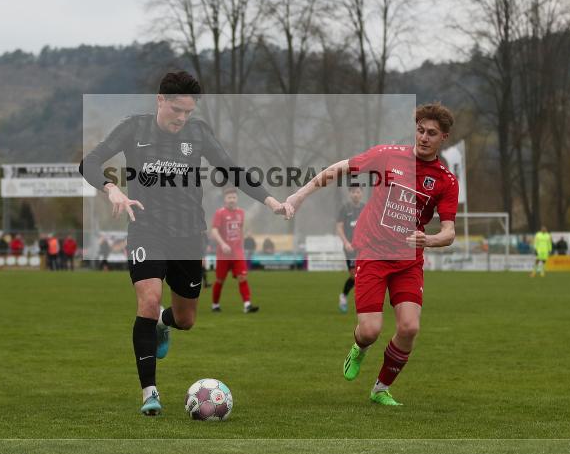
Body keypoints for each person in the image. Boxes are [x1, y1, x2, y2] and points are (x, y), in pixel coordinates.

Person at [79, 71, 284, 416]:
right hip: (146, 229)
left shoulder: (198, 132)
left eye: (188, 112)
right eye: (177, 110)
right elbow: (90, 162)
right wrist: (111, 188)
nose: (182, 118)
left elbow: (231, 169)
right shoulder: (134, 128)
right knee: (148, 299)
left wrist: (271, 201)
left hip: (189, 235)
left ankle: (163, 323)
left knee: (186, 319)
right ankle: (150, 393)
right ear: (160, 100)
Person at [282, 103, 459, 407]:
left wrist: (428, 240)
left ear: (443, 137)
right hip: (373, 253)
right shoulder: (388, 155)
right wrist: (299, 196)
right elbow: (340, 168)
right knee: (370, 330)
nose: (423, 137)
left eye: (431, 133)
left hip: (408, 261)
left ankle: (380, 389)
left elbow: (449, 232)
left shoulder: (446, 181)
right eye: (420, 130)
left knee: (409, 327)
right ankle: (359, 348)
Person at [209, 187, 259, 314]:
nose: (232, 200)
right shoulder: (220, 213)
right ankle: (215, 305)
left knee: (242, 277)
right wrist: (223, 244)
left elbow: (241, 229)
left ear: (237, 199)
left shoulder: (241, 213)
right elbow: (214, 231)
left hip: (237, 253)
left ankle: (247, 305)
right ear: (225, 199)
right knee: (220, 280)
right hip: (223, 254)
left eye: (234, 197)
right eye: (229, 197)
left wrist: (242, 242)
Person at [336, 184, 365, 313]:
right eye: (353, 192)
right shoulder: (345, 208)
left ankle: (364, 301)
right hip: (350, 248)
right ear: (350, 194)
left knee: (364, 275)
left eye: (358, 192)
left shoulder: (365, 208)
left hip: (363, 248)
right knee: (354, 275)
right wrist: (346, 242)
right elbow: (339, 227)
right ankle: (343, 296)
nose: (355, 194)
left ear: (361, 193)